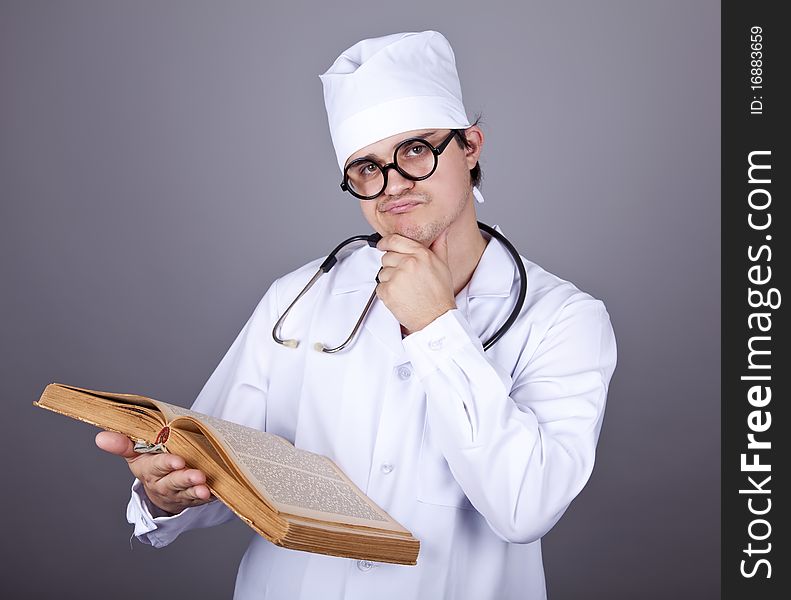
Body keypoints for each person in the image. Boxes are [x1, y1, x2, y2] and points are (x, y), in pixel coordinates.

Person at [96, 30, 617, 600]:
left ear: (470, 147)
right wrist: (165, 495)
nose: (392, 184)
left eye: (416, 150)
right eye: (366, 167)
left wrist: (437, 327)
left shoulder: (564, 318)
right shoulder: (298, 299)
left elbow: (525, 508)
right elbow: (218, 470)